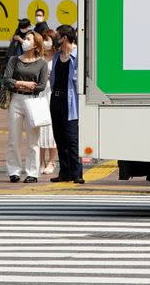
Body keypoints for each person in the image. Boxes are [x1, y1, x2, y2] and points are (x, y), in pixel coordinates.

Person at [4, 31, 49, 183]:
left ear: (36, 44)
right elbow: (6, 79)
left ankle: (33, 172)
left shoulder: (42, 62)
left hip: (33, 100)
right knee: (13, 138)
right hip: (16, 99)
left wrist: (31, 87)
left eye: (28, 39)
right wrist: (23, 83)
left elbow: (42, 85)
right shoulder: (14, 59)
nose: (24, 41)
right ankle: (14, 171)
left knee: (33, 140)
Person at [49, 25, 83, 184]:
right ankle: (65, 172)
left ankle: (77, 173)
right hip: (56, 100)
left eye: (57, 35)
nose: (55, 38)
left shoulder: (78, 57)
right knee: (59, 137)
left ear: (65, 37)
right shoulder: (56, 56)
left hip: (71, 102)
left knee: (72, 138)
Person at [38, 29, 58, 175]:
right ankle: (40, 161)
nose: (46, 42)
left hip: (52, 94)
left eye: (49, 39)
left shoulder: (58, 57)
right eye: (44, 39)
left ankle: (52, 161)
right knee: (39, 129)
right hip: (39, 95)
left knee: (52, 129)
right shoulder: (38, 57)